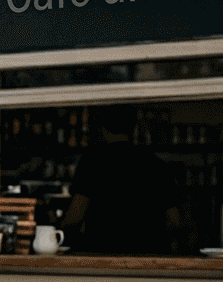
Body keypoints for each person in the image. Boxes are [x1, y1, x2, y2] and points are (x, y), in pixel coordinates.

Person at [62, 105, 182, 255]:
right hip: (148, 255)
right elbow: (174, 222)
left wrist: (55, 233)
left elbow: (75, 217)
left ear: (102, 128)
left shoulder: (93, 163)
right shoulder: (156, 165)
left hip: (102, 255)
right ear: (133, 128)